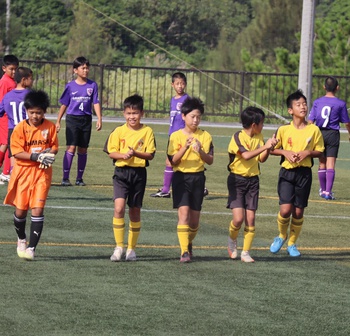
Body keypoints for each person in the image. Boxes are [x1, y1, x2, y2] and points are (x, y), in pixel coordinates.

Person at [4, 90, 59, 260]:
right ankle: (21, 238)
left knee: (38, 209)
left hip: (42, 173)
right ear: (26, 111)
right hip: (23, 173)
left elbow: (54, 147)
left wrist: (49, 154)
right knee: (20, 211)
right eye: (32, 112)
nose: (35, 116)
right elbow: (16, 152)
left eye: (39, 112)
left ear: (44, 112)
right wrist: (35, 156)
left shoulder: (49, 127)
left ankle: (32, 249)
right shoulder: (20, 128)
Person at [269, 90, 324, 257]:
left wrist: (307, 153)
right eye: (298, 104)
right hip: (287, 173)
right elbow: (272, 150)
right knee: (285, 210)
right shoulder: (284, 130)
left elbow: (320, 150)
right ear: (290, 110)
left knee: (298, 211)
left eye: (304, 104)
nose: (303, 107)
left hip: (304, 174)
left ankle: (292, 243)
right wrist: (286, 152)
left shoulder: (314, 130)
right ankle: (281, 235)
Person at [104, 94, 156, 262]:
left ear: (142, 113)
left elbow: (150, 154)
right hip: (121, 174)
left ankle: (131, 249)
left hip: (139, 175)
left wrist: (136, 153)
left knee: (135, 211)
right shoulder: (119, 131)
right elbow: (111, 151)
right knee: (119, 208)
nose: (132, 117)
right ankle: (119, 247)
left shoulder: (147, 131)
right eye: (128, 113)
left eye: (135, 113)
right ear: (124, 113)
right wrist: (123, 155)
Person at [227, 107, 278, 263]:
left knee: (251, 218)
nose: (263, 126)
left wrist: (269, 148)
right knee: (238, 219)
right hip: (237, 180)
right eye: (262, 123)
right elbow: (247, 155)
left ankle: (246, 252)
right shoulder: (237, 137)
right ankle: (232, 241)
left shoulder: (259, 136)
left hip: (253, 181)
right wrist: (265, 146)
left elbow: (261, 159)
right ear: (254, 124)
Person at [167, 97, 214, 262]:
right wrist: (185, 147)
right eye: (192, 116)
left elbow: (210, 160)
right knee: (184, 214)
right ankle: (184, 252)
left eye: (198, 117)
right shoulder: (175, 136)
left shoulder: (206, 136)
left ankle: (188, 242)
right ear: (183, 116)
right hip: (181, 177)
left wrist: (200, 150)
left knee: (194, 222)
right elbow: (173, 161)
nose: (195, 120)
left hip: (198, 178)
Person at [56, 56, 102, 186]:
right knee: (71, 147)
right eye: (83, 68)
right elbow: (64, 104)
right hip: (72, 119)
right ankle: (65, 178)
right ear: (75, 70)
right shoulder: (70, 86)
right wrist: (58, 120)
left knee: (83, 149)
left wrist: (99, 118)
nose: (86, 70)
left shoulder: (92, 85)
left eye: (87, 68)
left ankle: (79, 178)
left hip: (86, 119)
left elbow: (96, 102)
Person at [308, 76, 350, 200]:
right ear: (337, 88)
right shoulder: (341, 103)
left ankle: (322, 189)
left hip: (319, 133)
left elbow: (310, 121)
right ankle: (328, 191)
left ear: (324, 87)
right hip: (333, 134)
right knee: (331, 163)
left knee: (322, 162)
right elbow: (347, 123)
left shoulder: (317, 102)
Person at [151, 72, 190, 198]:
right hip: (172, 135)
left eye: (182, 83)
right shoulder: (173, 100)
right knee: (170, 162)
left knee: (179, 162)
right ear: (172, 85)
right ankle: (166, 190)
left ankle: (166, 190)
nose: (180, 86)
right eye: (177, 83)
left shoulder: (187, 99)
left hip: (182, 135)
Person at [0, 67, 34, 170]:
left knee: (13, 156)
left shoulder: (7, 96)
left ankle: (13, 177)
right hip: (27, 130)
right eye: (30, 78)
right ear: (24, 79)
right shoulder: (30, 95)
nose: (32, 81)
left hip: (12, 131)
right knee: (29, 157)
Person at [0, 54, 19, 184]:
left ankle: (6, 172)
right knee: (6, 144)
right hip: (5, 118)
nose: (13, 72)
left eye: (15, 69)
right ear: (4, 68)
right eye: (11, 69)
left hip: (11, 118)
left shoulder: (13, 81)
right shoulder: (5, 82)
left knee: (10, 143)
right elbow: (2, 101)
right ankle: (5, 172)